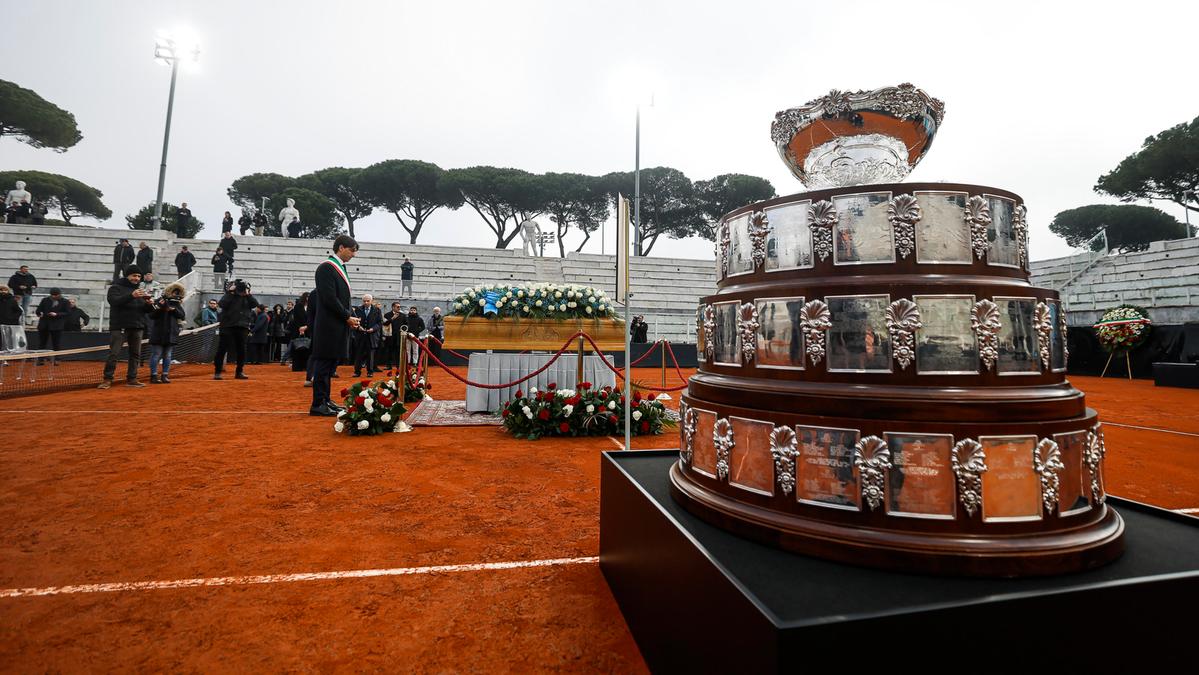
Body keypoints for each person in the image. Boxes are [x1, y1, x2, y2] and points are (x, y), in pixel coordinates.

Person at [309, 235, 360, 416]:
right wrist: (347, 316)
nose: (353, 255)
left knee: (330, 365)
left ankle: (325, 400)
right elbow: (329, 298)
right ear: (341, 248)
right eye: (352, 250)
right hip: (328, 326)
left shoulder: (338, 268)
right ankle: (317, 404)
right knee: (323, 365)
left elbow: (341, 299)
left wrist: (350, 317)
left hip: (336, 325)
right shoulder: (326, 268)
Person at [99, 265, 153, 388]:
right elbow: (114, 302)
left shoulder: (140, 290)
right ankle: (107, 379)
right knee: (114, 353)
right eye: (134, 275)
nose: (137, 278)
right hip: (120, 327)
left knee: (135, 354)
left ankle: (132, 379)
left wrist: (149, 305)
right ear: (127, 275)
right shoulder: (115, 288)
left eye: (139, 276)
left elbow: (144, 310)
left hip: (137, 327)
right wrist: (131, 296)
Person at [213, 278, 258, 380]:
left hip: (242, 326)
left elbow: (255, 304)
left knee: (242, 350)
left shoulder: (248, 297)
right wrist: (230, 292)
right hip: (227, 326)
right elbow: (221, 304)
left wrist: (248, 294)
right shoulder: (230, 295)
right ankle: (217, 372)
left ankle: (239, 371)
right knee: (222, 349)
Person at [147, 282, 186, 384]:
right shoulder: (159, 301)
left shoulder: (177, 304)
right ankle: (153, 376)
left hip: (171, 334)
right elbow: (151, 315)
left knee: (168, 355)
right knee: (156, 354)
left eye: (177, 293)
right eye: (174, 292)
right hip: (158, 332)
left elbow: (182, 315)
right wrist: (161, 307)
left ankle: (165, 375)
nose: (175, 295)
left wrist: (173, 310)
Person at [35, 288, 69, 364]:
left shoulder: (65, 301)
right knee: (42, 343)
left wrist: (57, 314)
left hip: (57, 325)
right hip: (44, 324)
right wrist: (39, 313)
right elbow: (38, 310)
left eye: (56, 295)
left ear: (59, 294)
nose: (54, 296)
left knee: (56, 343)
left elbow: (67, 313)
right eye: (52, 295)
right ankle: (40, 359)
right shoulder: (45, 300)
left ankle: (57, 359)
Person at [351, 293, 382, 376]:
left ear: (371, 301)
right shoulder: (358, 309)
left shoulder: (377, 310)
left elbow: (379, 323)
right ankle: (357, 372)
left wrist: (373, 329)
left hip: (371, 336)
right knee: (358, 354)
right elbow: (354, 321)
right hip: (360, 335)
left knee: (370, 355)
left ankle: (370, 372)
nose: (366, 303)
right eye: (364, 301)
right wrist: (358, 327)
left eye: (368, 301)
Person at [288, 292, 310, 373]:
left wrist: (307, 327)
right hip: (298, 330)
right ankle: (297, 366)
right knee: (297, 348)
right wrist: (300, 328)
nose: (308, 298)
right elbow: (296, 318)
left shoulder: (312, 307)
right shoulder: (298, 306)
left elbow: (313, 318)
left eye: (309, 297)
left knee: (308, 348)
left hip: (309, 330)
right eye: (307, 297)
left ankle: (306, 366)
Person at [0, 285, 22, 351]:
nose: (3, 291)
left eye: (5, 290)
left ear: (8, 291)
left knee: (8, 340)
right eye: (1, 290)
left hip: (9, 324)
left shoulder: (12, 300)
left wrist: (12, 318)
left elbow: (19, 311)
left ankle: (7, 355)